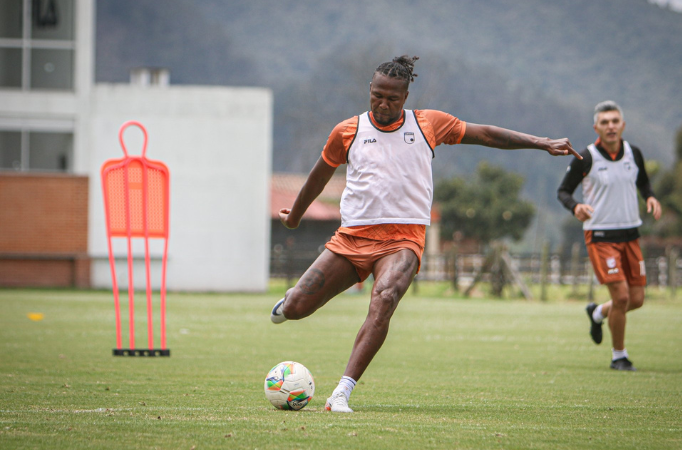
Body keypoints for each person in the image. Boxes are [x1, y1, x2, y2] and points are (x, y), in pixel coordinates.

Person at [272, 55, 580, 412]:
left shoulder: (428, 124)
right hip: (352, 237)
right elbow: (318, 176)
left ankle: (341, 391)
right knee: (296, 308)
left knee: (384, 298)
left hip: (404, 239)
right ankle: (289, 300)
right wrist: (294, 217)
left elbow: (487, 135)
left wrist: (541, 142)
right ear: (369, 90)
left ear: (405, 97)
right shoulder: (347, 131)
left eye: (392, 98)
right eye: (377, 95)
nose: (383, 104)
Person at [557, 100, 661, 371]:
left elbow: (643, 182)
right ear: (596, 127)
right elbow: (563, 191)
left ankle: (598, 312)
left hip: (631, 235)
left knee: (636, 299)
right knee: (622, 297)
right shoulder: (586, 157)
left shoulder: (633, 154)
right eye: (605, 122)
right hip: (601, 236)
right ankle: (619, 357)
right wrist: (576, 206)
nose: (611, 126)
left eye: (615, 121)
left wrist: (650, 197)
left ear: (622, 125)